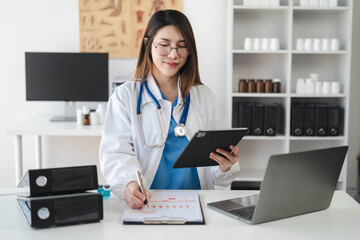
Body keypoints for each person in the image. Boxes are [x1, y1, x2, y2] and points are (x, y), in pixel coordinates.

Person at [99, 9, 240, 209]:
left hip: (196, 202)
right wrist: (129, 183)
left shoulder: (204, 97)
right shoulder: (125, 96)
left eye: (182, 46)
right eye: (164, 45)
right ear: (148, 43)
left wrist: (226, 167)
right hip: (148, 201)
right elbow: (115, 154)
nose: (173, 55)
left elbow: (219, 174)